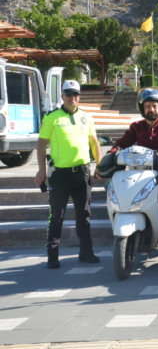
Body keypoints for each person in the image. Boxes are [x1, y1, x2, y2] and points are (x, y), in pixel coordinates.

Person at [35, 80, 102, 269]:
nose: (73, 97)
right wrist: (41, 170)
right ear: (62, 96)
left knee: (84, 215)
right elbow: (41, 144)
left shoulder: (86, 117)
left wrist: (99, 165)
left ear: (79, 96)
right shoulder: (52, 118)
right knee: (57, 215)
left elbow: (94, 142)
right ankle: (53, 255)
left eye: (76, 94)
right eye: (69, 94)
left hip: (81, 173)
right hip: (60, 175)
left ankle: (86, 253)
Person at [113, 89, 158, 240]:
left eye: (154, 106)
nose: (151, 109)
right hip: (143, 172)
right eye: (147, 106)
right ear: (142, 108)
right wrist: (112, 153)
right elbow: (122, 143)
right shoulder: (136, 127)